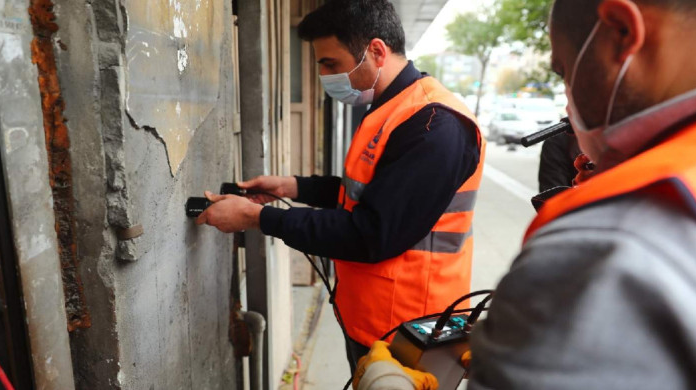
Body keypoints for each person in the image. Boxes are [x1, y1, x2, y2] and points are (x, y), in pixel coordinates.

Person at [353, 0, 696, 388]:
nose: (566, 101)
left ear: (622, 34)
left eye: (564, 70)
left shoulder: (602, 245)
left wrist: (384, 382)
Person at [196, 0, 485, 374]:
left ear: (376, 51)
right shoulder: (392, 109)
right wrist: (292, 186)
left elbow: (371, 233)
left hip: (412, 333)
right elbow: (367, 196)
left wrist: (257, 217)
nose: (324, 75)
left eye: (331, 64)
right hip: (377, 321)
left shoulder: (434, 126)